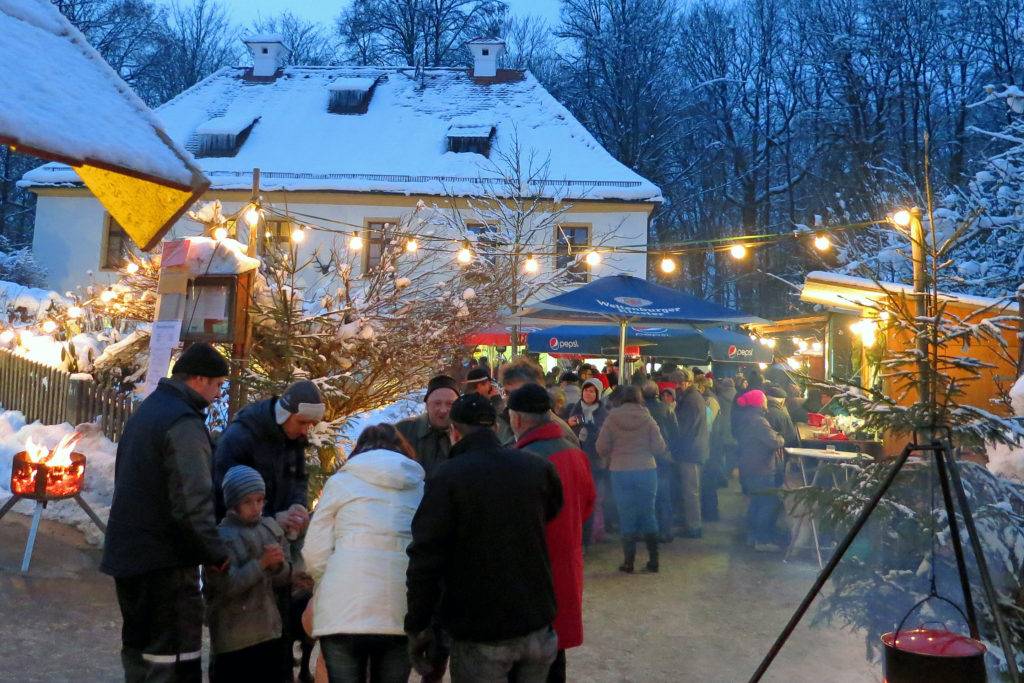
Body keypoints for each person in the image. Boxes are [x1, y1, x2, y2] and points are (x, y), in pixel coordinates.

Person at [405, 392, 563, 682]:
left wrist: (417, 623)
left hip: (480, 628)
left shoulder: (447, 477)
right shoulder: (537, 467)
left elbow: (426, 557)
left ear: (454, 431)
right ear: (494, 428)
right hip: (537, 622)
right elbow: (552, 513)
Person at [100, 342, 230, 683]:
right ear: (200, 379)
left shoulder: (151, 410)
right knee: (171, 660)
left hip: (130, 557)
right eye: (218, 385)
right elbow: (192, 502)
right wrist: (214, 551)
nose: (218, 394)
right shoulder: (183, 423)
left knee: (139, 654)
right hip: (165, 565)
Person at [303, 424, 425, 683]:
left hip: (343, 611)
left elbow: (314, 549)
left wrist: (328, 583)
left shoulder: (340, 483)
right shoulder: (417, 488)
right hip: (399, 610)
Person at [509, 384, 595, 683]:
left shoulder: (522, 461)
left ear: (516, 419)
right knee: (556, 654)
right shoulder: (574, 453)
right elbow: (587, 507)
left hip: (533, 571)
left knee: (530, 658)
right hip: (567, 566)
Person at [205, 466, 292, 683]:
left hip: (269, 634)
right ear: (233, 503)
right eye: (248, 502)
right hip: (234, 642)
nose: (256, 507)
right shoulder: (221, 538)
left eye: (260, 500)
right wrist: (262, 564)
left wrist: (279, 566)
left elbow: (286, 578)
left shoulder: (270, 529)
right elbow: (225, 586)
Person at [214, 379, 323, 527]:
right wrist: (270, 519)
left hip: (275, 540)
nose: (305, 430)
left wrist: (298, 506)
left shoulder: (294, 436)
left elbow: (298, 479)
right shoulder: (240, 436)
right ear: (284, 414)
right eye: (302, 422)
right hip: (238, 540)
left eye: (309, 424)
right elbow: (223, 497)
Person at [595, 385, 668, 573]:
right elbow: (660, 447)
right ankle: (654, 561)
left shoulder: (611, 418)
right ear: (640, 398)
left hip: (620, 470)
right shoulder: (648, 418)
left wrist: (616, 451)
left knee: (626, 514)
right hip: (646, 470)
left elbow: (601, 447)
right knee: (648, 512)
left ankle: (629, 562)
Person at [733, 390, 786, 551]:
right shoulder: (759, 422)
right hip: (761, 469)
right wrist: (780, 437)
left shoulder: (746, 418)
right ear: (758, 404)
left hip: (749, 468)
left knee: (755, 504)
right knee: (766, 505)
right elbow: (774, 442)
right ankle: (761, 540)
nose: (766, 403)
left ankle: (752, 537)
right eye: (764, 400)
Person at [566, 377, 610, 545]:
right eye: (586, 390)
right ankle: (582, 533)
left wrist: (585, 423)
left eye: (592, 391)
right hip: (577, 458)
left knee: (597, 497)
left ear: (598, 393)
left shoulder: (603, 412)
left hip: (596, 460)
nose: (588, 393)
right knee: (579, 498)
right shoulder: (574, 409)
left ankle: (596, 531)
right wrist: (570, 424)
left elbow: (603, 432)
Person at [498, 357, 578, 446]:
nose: (512, 398)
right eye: (507, 393)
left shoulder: (560, 431)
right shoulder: (501, 422)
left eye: (519, 392)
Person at [396, 374, 460, 478]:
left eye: (450, 404)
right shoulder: (403, 431)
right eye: (437, 403)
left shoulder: (467, 434)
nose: (443, 410)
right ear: (427, 405)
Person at [671, 368, 709, 539]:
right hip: (694, 450)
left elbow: (684, 428)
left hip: (691, 451)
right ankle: (691, 524)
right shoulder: (692, 398)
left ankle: (694, 527)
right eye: (676, 383)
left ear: (688, 382)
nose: (677, 386)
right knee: (691, 490)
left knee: (690, 491)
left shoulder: (691, 400)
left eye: (680, 383)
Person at [641, 380, 681, 543]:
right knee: (664, 496)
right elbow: (675, 434)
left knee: (646, 496)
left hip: (643, 458)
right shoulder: (667, 409)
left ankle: (648, 530)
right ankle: (665, 530)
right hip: (664, 458)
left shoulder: (641, 410)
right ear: (657, 393)